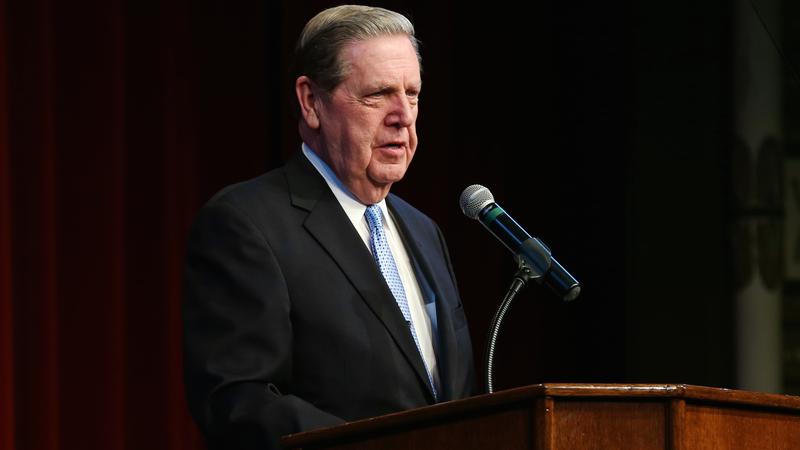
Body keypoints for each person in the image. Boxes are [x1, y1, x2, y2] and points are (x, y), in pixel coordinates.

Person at [183, 5, 476, 450]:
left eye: (412, 94)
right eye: (378, 94)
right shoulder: (246, 224)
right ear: (311, 102)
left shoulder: (424, 232)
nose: (403, 115)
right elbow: (238, 402)